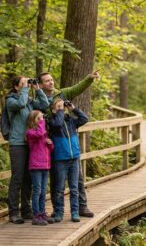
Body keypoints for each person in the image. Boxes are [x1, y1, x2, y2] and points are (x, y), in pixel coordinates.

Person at [38, 71, 99, 218]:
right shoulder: (39, 101)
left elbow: (77, 88)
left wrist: (89, 78)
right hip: (54, 145)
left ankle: (81, 207)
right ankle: (57, 210)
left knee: (77, 180)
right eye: (47, 81)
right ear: (40, 84)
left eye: (51, 80)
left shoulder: (62, 94)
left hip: (71, 147)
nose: (51, 82)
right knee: (57, 181)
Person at [6, 76, 49, 224]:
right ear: (16, 86)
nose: (26, 85)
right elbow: (21, 103)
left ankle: (26, 210)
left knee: (28, 178)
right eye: (23, 83)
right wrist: (25, 89)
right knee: (17, 178)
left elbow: (44, 105)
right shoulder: (11, 100)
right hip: (17, 144)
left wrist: (37, 89)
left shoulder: (29, 100)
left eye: (26, 83)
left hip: (31, 144)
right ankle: (13, 212)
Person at [48, 98, 88, 222]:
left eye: (62, 105)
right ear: (53, 109)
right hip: (61, 159)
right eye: (58, 106)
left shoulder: (71, 120)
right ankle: (59, 212)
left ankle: (75, 212)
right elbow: (58, 124)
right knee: (60, 188)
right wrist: (60, 111)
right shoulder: (52, 121)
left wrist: (73, 108)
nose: (62, 107)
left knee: (74, 188)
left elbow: (84, 119)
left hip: (74, 158)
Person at [26, 110, 54, 226]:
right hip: (36, 166)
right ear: (33, 120)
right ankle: (36, 215)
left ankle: (42, 213)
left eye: (42, 118)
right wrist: (42, 123)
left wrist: (49, 143)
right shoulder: (30, 132)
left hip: (45, 165)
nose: (41, 120)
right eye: (39, 118)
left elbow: (50, 149)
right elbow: (39, 134)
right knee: (37, 191)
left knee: (43, 191)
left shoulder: (43, 133)